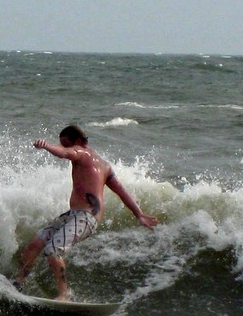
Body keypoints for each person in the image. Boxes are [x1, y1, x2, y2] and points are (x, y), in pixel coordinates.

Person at [14, 125, 158, 300]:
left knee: (53, 250)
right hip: (73, 215)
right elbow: (121, 191)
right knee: (35, 244)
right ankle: (19, 283)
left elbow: (65, 153)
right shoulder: (104, 165)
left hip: (86, 218)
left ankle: (64, 294)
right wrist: (139, 214)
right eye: (64, 145)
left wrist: (46, 146)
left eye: (68, 144)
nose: (67, 148)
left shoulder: (80, 152)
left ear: (80, 141)